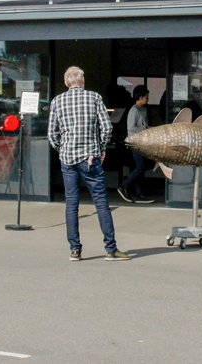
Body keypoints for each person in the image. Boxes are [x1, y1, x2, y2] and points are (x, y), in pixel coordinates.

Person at [48, 66, 130, 262]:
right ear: (83, 81)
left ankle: (75, 250)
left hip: (67, 159)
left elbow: (52, 134)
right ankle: (111, 249)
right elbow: (107, 126)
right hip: (90, 158)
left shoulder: (57, 101)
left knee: (71, 204)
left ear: (66, 82)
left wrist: (63, 150)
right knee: (101, 202)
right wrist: (101, 148)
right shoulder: (94, 98)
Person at [118, 85, 154, 204]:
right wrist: (145, 131)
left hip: (142, 142)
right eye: (146, 97)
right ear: (140, 97)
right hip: (134, 143)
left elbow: (145, 125)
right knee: (140, 167)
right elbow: (131, 128)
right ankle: (124, 185)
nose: (147, 99)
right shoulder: (133, 110)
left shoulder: (144, 110)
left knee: (139, 167)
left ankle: (138, 192)